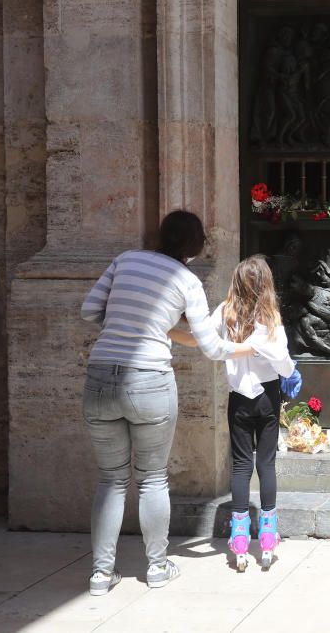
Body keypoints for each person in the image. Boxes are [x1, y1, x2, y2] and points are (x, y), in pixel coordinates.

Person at [80, 210, 263, 596]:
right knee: (152, 478)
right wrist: (247, 348)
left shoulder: (125, 260)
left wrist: (126, 329)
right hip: (150, 380)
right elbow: (211, 347)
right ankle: (158, 566)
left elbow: (89, 311)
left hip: (99, 376)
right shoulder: (187, 280)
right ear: (195, 247)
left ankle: (100, 575)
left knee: (111, 479)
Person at [171, 255, 302, 572]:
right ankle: (268, 535)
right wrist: (292, 373)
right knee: (266, 463)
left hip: (239, 401)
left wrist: (169, 332)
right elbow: (283, 362)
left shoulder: (225, 313)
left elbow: (200, 339)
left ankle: (240, 537)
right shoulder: (270, 319)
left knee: (242, 465)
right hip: (267, 399)